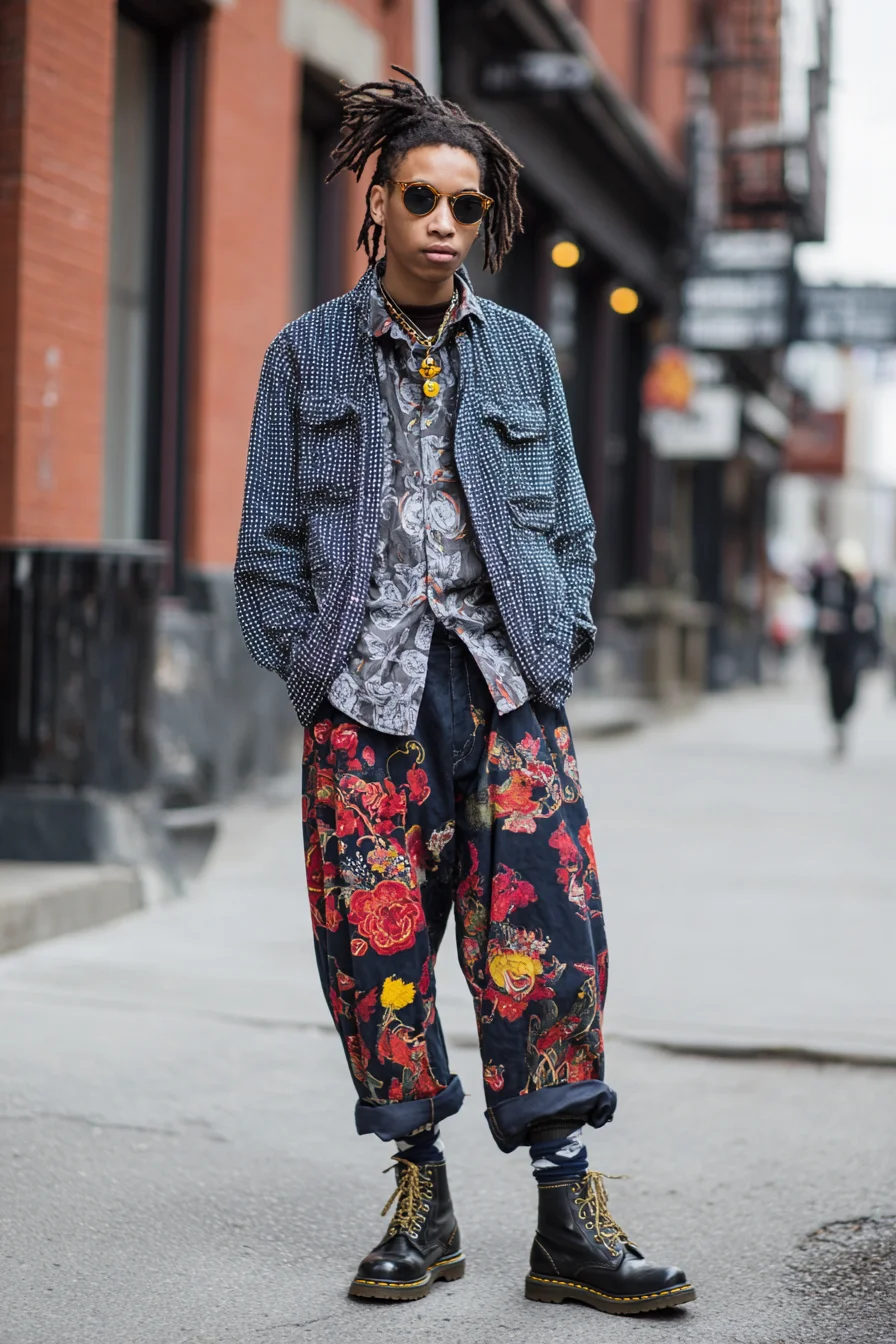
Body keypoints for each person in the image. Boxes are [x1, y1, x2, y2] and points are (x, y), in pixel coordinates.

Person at [234, 69, 695, 1316]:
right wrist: (312, 678)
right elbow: (265, 551)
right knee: (375, 955)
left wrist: (557, 648)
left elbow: (575, 534)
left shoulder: (527, 357)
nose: (442, 220)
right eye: (420, 197)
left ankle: (564, 1219)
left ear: (483, 222)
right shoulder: (302, 357)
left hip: (504, 697)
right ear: (376, 204)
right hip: (365, 704)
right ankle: (418, 1199)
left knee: (548, 948)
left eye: (464, 204)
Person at [812, 539, 881, 755]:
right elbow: (815, 600)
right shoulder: (828, 583)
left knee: (851, 688)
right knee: (834, 688)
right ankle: (838, 725)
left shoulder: (865, 587)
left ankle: (844, 719)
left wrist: (875, 648)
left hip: (854, 648)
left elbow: (871, 620)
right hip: (833, 647)